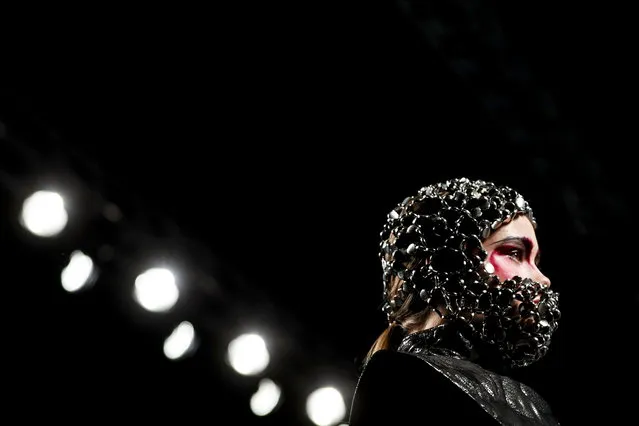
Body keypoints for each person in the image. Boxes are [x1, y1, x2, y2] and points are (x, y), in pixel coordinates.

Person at [348, 177, 562, 425]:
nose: (542, 278)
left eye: (535, 260)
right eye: (514, 253)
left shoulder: (520, 396)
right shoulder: (404, 378)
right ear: (445, 261)